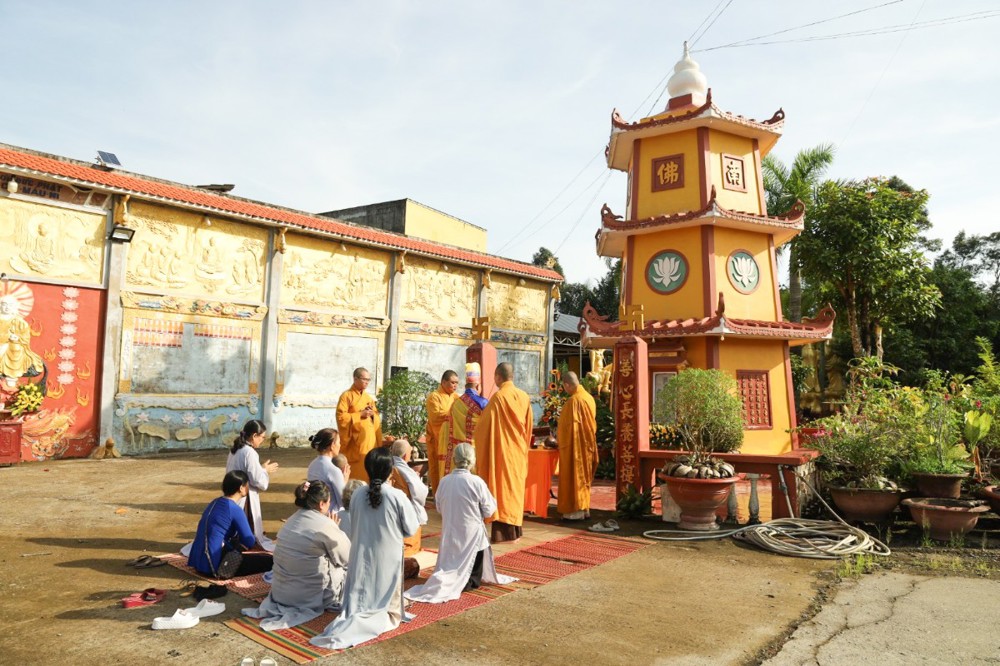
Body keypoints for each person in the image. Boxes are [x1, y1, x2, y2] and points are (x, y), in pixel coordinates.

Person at [310, 448, 419, 650]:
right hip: (388, 557)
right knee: (384, 602)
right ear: (390, 470)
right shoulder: (397, 495)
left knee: (363, 591)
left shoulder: (358, 494)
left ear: (367, 469)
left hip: (361, 555)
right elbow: (411, 528)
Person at [405, 444, 516, 604]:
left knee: (450, 562)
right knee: (477, 546)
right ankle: (468, 580)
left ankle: (458, 579)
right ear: (472, 460)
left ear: (455, 460)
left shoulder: (445, 481)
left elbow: (439, 506)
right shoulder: (476, 482)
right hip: (472, 535)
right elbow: (489, 509)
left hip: (450, 531)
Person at [242, 481, 351, 630]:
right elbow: (347, 558)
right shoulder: (325, 525)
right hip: (308, 597)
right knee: (349, 572)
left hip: (281, 594)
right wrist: (336, 530)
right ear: (321, 504)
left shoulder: (291, 520)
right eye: (329, 502)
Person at [473, 362, 533, 543]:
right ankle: (516, 532)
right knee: (514, 490)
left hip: (503, 452)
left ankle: (503, 534)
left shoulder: (499, 397)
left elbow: (483, 426)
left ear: (498, 377)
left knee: (503, 490)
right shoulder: (524, 396)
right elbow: (529, 426)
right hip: (518, 451)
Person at [188, 471, 273, 578]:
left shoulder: (215, 502)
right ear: (241, 488)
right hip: (215, 565)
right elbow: (249, 541)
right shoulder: (234, 509)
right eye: (247, 484)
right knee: (270, 561)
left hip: (198, 561)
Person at [225, 419, 279, 551]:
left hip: (233, 492)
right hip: (244, 495)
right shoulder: (249, 452)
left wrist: (261, 468)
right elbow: (257, 479)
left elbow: (245, 471)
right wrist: (265, 471)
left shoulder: (236, 449)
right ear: (254, 435)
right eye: (262, 437)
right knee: (244, 524)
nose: (262, 440)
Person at [556, 371, 599, 520]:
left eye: (564, 387)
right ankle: (584, 507)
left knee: (575, 476)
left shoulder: (574, 401)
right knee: (584, 477)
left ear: (567, 385)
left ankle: (575, 511)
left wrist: (559, 439)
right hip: (587, 445)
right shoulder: (588, 397)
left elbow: (569, 428)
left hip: (575, 447)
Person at [440, 362, 489, 477]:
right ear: (478, 386)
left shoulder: (456, 403)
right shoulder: (483, 403)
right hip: (476, 451)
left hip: (459, 452)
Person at [336, 367, 382, 483]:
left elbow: (376, 417)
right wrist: (360, 414)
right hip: (355, 443)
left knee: (369, 469)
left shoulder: (368, 398)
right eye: (364, 379)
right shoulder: (346, 396)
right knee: (357, 475)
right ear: (355, 379)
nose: (367, 382)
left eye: (368, 380)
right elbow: (341, 417)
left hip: (370, 442)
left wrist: (372, 414)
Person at [388, 438, 429, 559]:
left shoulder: (389, 466)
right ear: (406, 455)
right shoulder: (406, 470)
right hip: (405, 510)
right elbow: (421, 493)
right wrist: (416, 478)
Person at [425, 370, 459, 492]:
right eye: (452, 382)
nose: (455, 385)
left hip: (451, 440)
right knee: (436, 468)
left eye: (457, 383)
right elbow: (435, 417)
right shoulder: (434, 397)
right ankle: (438, 496)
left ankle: (450, 494)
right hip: (437, 439)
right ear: (443, 382)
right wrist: (453, 413)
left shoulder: (456, 397)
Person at [306, 428, 347, 514]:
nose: (340, 445)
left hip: (315, 512)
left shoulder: (312, 465)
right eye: (339, 442)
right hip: (332, 516)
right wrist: (345, 480)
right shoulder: (333, 470)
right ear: (332, 445)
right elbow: (343, 502)